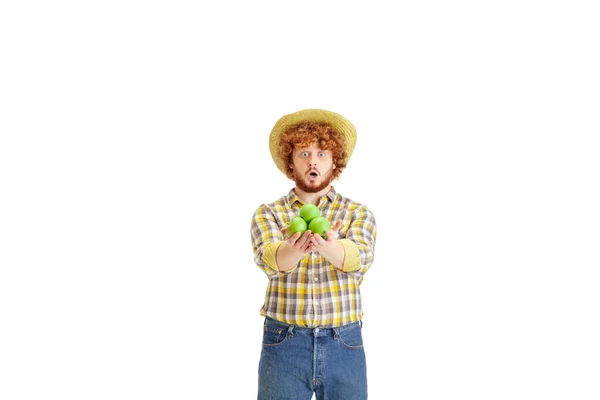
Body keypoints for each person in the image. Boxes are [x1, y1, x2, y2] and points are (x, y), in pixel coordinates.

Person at [250, 109, 377, 399]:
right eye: (304, 153)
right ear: (291, 163)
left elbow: (359, 259)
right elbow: (271, 260)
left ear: (335, 163)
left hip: (343, 341)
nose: (313, 161)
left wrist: (328, 244)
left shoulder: (357, 213)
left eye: (321, 153)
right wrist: (292, 248)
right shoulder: (269, 213)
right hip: (284, 342)